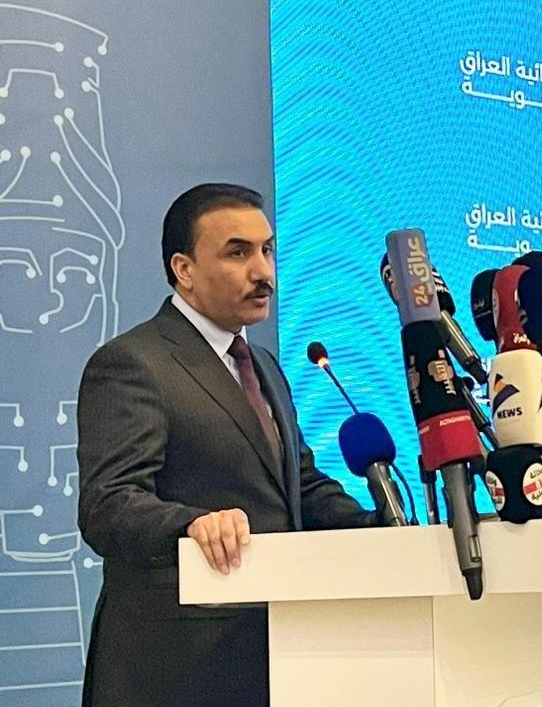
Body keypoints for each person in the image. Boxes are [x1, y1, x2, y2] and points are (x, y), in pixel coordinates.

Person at [76, 183, 375, 707]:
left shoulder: (264, 365)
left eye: (267, 250)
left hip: (277, 655)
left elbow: (297, 486)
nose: (263, 272)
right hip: (176, 670)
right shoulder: (134, 363)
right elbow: (109, 505)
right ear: (184, 269)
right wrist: (190, 524)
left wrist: (381, 531)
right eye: (238, 253)